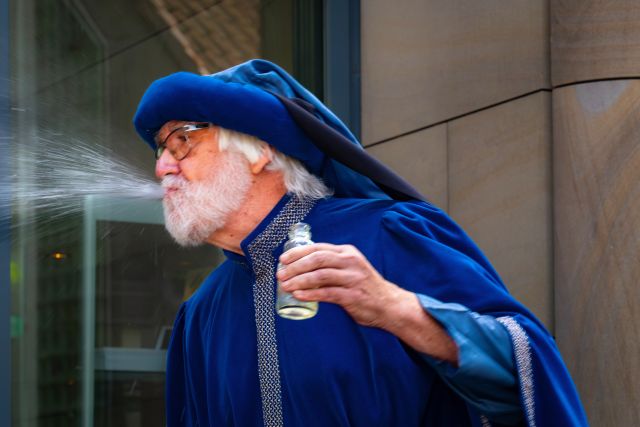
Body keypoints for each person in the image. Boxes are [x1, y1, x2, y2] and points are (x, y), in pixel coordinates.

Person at [133, 59, 587, 426]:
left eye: (182, 141)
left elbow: (526, 367)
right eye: (160, 150)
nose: (162, 168)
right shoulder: (201, 312)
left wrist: (396, 308)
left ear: (261, 150)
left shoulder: (389, 233)